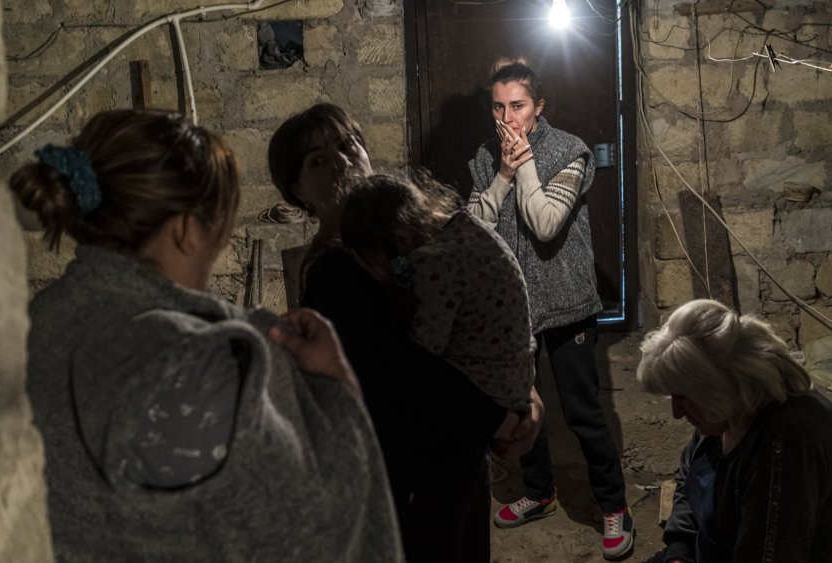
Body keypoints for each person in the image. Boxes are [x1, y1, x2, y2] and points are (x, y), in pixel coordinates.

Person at [12, 109, 402, 562]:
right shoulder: (192, 368)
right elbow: (311, 539)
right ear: (185, 231)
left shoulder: (43, 319)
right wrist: (335, 388)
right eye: (220, 227)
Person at [267, 103, 543, 563]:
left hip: (456, 459)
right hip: (412, 475)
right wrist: (499, 418)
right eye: (318, 160)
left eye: (346, 145)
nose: (340, 160)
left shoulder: (408, 241)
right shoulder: (334, 270)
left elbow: (476, 324)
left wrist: (522, 390)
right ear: (297, 192)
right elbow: (404, 373)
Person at [466, 58, 633, 559]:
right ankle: (539, 493)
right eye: (498, 106)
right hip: (513, 309)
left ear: (538, 107)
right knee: (522, 409)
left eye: (517, 106)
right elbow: (475, 231)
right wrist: (500, 173)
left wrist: (525, 166)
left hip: (566, 304)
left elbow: (543, 224)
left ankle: (615, 506)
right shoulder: (483, 157)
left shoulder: (570, 151)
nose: (507, 117)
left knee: (583, 413)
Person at [637, 299, 832, 563]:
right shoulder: (723, 415)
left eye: (683, 397)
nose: (677, 413)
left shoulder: (788, 445)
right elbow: (688, 478)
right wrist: (679, 553)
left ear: (720, 387)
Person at [340, 173, 536, 418]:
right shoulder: (465, 224)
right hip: (517, 378)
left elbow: (423, 349)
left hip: (488, 391)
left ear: (400, 240)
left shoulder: (434, 261)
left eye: (376, 261)